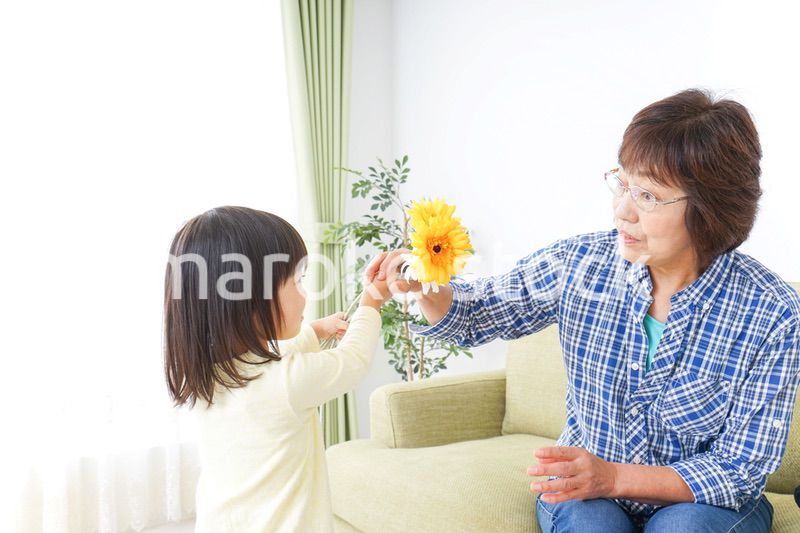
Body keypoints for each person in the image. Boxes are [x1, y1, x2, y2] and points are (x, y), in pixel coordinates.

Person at [369, 89, 800, 532]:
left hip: (703, 502)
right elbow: (483, 310)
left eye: (648, 196)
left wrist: (613, 476)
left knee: (683, 527)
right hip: (586, 492)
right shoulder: (579, 264)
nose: (622, 211)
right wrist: (427, 284)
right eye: (623, 184)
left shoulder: (773, 315)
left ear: (710, 210)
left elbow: (739, 468)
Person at [163, 206, 390, 533]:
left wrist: (316, 330)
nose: (306, 293)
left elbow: (271, 362)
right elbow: (352, 362)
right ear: (249, 298)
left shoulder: (209, 373)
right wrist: (371, 302)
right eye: (298, 280)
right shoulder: (288, 381)